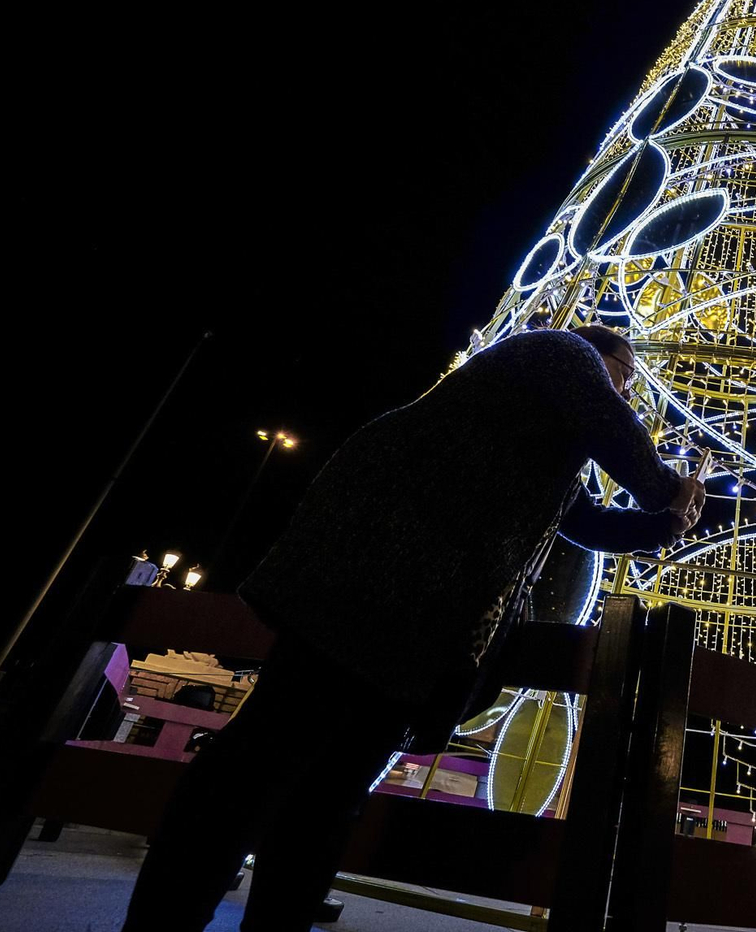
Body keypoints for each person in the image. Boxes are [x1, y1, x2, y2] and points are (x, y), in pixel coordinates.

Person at [123, 325, 704, 932]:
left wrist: (665, 526)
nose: (626, 392)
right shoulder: (560, 351)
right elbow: (613, 424)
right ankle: (165, 917)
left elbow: (586, 522)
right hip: (372, 585)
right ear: (601, 358)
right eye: (626, 378)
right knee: (263, 765)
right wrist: (672, 489)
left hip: (416, 629)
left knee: (329, 792)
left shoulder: (547, 442)